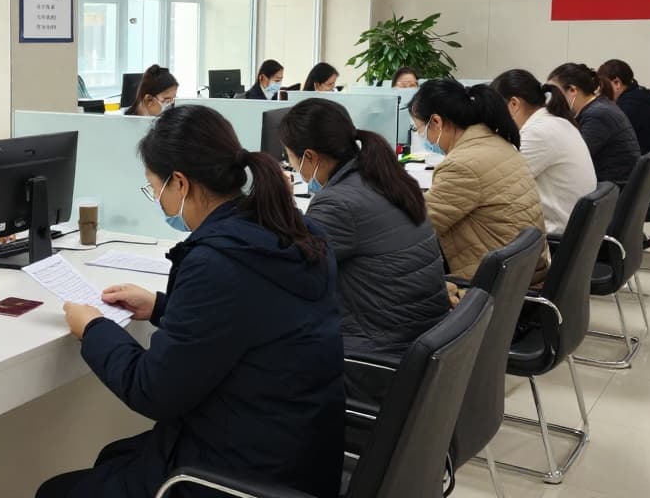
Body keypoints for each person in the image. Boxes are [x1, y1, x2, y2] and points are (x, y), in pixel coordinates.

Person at [38, 106, 342, 498]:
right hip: (297, 454)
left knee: (56, 490)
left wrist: (93, 328)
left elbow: (152, 390)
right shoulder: (294, 231)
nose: (158, 200)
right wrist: (161, 307)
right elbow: (249, 321)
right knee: (114, 456)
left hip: (237, 472)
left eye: (154, 188)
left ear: (180, 183)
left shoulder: (218, 261)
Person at [279, 98, 448, 362]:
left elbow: (291, 274)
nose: (290, 166)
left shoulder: (338, 203)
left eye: (289, 158)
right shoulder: (388, 177)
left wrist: (280, 203)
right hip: (426, 335)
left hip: (379, 353)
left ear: (309, 156)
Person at [410, 80, 547, 299]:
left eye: (418, 129)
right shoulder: (496, 143)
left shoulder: (462, 164)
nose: (421, 136)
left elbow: (416, 227)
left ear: (436, 122)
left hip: (492, 290)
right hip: (523, 274)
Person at [492, 70, 596, 237]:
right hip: (572, 231)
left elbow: (497, 184)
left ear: (514, 104)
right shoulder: (556, 122)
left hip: (555, 237)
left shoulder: (538, 132)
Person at [547, 63, 641, 185]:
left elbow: (573, 159)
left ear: (572, 90)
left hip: (612, 188)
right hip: (614, 185)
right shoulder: (600, 105)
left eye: (554, 93)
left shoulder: (597, 115)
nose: (551, 100)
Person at [597, 59, 650, 154]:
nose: (602, 93)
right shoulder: (639, 98)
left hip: (648, 161)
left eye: (604, 87)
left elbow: (606, 142)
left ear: (617, 83)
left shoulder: (628, 107)